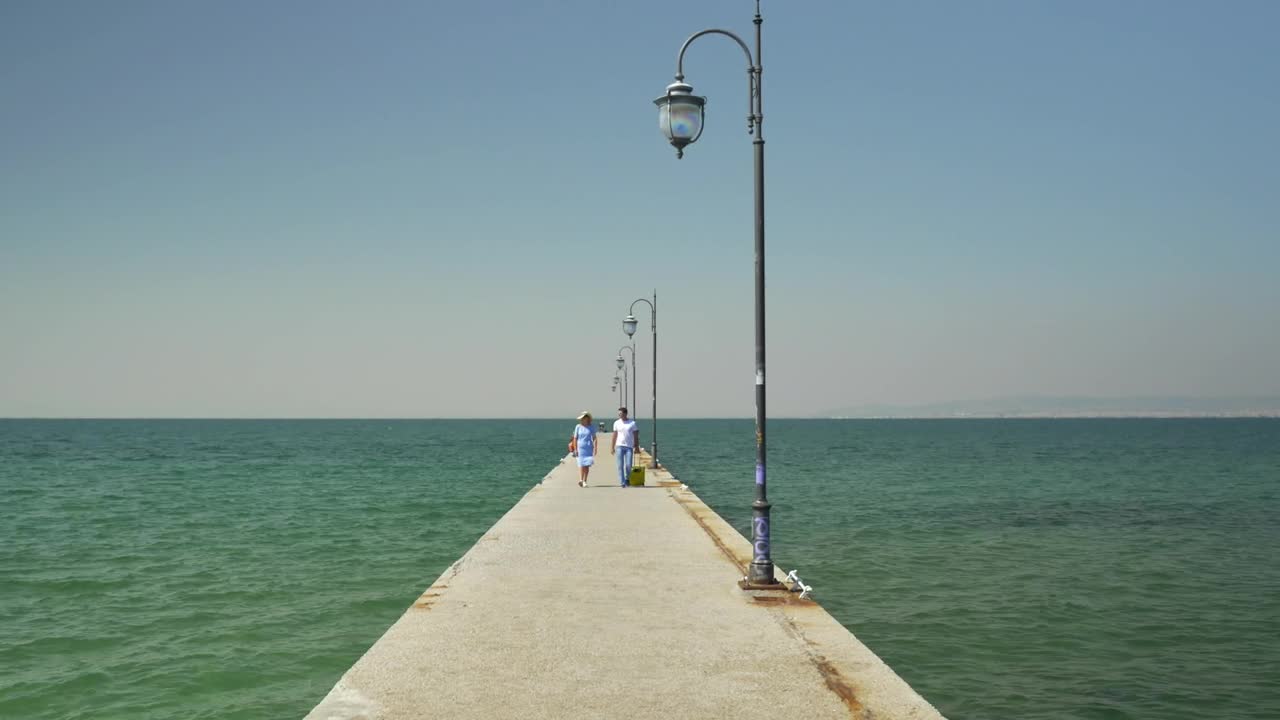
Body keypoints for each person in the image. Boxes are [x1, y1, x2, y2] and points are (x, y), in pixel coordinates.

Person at [611, 407, 639, 488]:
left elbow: (636, 435)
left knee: (628, 465)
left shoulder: (632, 423)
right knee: (620, 465)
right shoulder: (616, 423)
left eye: (621, 413)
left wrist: (636, 446)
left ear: (625, 414)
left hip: (629, 447)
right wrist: (612, 447)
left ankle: (627, 478)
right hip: (619, 446)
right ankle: (622, 482)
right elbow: (614, 435)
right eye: (618, 413)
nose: (619, 415)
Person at [570, 411, 597, 487]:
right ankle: (581, 480)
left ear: (587, 418)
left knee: (586, 465)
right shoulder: (578, 426)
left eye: (583, 418)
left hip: (588, 448)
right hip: (580, 448)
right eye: (581, 418)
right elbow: (575, 438)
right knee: (581, 464)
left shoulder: (591, 427)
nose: (582, 419)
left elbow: (594, 438)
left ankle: (585, 481)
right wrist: (575, 449)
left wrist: (595, 448)